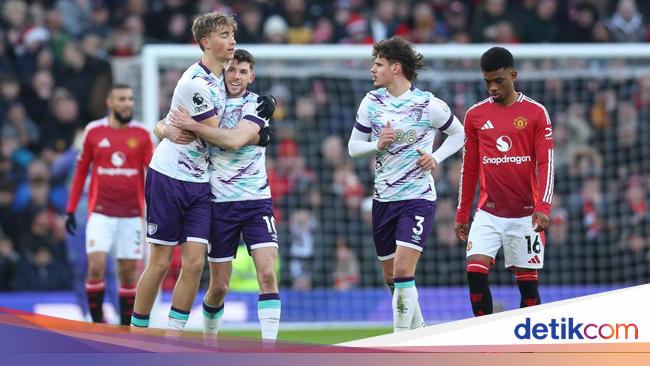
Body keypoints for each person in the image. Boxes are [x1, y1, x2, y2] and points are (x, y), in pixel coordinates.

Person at [132, 12, 274, 331]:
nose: (232, 40)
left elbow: (233, 107)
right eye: (224, 35)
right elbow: (218, 134)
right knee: (159, 263)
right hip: (168, 177)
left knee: (195, 264)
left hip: (200, 183)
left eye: (232, 34)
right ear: (205, 43)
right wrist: (255, 131)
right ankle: (137, 334)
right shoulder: (196, 83)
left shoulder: (221, 78)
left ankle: (173, 339)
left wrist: (263, 113)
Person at [347, 36, 465, 332]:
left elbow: (459, 134)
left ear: (396, 68)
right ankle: (421, 329)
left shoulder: (427, 104)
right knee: (391, 277)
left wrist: (436, 158)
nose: (372, 70)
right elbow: (353, 147)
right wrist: (377, 144)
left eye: (378, 64)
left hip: (417, 198)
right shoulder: (371, 102)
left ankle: (400, 344)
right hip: (383, 199)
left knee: (402, 270)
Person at [168, 49, 281, 341]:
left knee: (267, 275)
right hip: (218, 204)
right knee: (219, 287)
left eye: (243, 72)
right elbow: (167, 123)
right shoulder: (207, 100)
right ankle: (210, 343)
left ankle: (271, 351)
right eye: (231, 69)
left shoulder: (258, 104)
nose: (236, 76)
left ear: (251, 76)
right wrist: (165, 130)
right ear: (223, 71)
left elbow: (233, 141)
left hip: (256, 202)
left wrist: (194, 127)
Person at [455, 46, 554, 317]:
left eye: (499, 80)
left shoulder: (536, 113)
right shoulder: (475, 116)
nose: (493, 88)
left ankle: (525, 343)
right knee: (475, 270)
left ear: (513, 75)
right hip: (488, 212)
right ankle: (485, 337)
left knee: (529, 289)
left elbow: (546, 163)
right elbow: (470, 167)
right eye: (487, 82)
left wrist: (543, 206)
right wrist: (463, 213)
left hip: (525, 215)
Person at [65, 84, 154, 325]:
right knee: (95, 268)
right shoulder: (94, 132)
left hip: (132, 215)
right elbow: (81, 171)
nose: (127, 104)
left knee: (127, 274)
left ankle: (125, 330)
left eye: (130, 99)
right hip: (100, 213)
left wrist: (157, 208)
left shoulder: (143, 134)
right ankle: (97, 325)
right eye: (122, 99)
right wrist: (71, 210)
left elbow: (153, 173)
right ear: (110, 103)